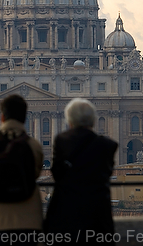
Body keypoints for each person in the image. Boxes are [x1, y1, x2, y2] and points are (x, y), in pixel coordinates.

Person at [45, 98, 118, 245]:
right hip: (98, 213)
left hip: (67, 212)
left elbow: (57, 174)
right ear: (93, 121)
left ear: (70, 121)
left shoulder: (61, 141)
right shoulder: (108, 145)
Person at [0, 94, 43, 245]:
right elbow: (36, 174)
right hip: (28, 220)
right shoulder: (34, 145)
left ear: (2, 117)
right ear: (25, 118)